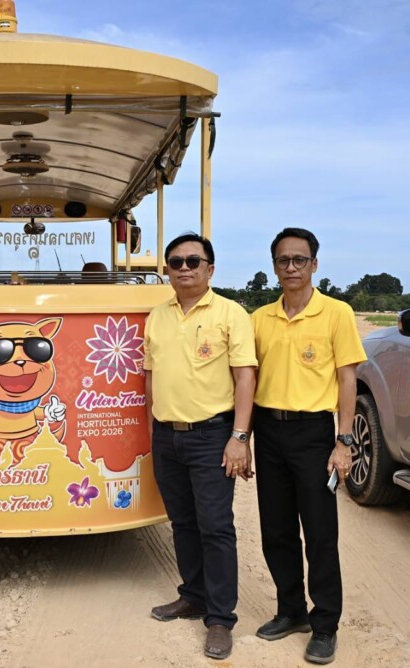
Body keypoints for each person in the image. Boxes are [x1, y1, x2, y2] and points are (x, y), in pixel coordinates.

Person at [251, 227, 366, 665]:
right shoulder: (260, 318)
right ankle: (291, 611)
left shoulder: (336, 313)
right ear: (274, 266)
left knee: (319, 533)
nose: (292, 267)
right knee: (276, 529)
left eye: (300, 259)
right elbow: (249, 379)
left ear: (314, 264)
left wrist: (344, 441)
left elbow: (347, 380)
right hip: (269, 431)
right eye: (283, 260)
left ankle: (325, 625)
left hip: (314, 434)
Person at [144, 232, 257, 661]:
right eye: (176, 262)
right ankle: (192, 595)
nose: (185, 268)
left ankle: (220, 618)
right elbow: (150, 376)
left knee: (215, 526)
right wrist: (152, 429)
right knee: (183, 523)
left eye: (194, 261)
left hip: (212, 435)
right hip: (166, 435)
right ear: (167, 270)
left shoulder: (230, 313)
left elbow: (245, 377)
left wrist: (240, 437)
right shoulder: (158, 316)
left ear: (210, 268)